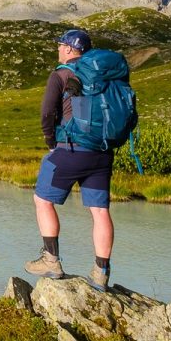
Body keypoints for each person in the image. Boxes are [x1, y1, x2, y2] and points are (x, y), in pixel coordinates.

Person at [24, 28, 115, 290]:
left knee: (41, 199)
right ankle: (101, 273)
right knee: (99, 211)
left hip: (71, 149)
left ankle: (51, 260)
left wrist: (51, 143)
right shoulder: (104, 75)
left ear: (67, 49)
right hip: (102, 152)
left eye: (60, 45)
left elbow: (46, 113)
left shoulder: (61, 74)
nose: (58, 49)